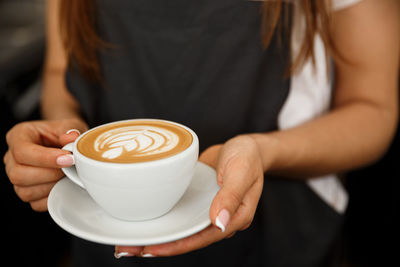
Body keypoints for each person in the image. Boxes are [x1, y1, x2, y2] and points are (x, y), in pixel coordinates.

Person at [3, 0, 399, 266]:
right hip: (102, 237)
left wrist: (263, 151)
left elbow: (373, 107)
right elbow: (60, 73)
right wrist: (65, 145)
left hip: (282, 239)